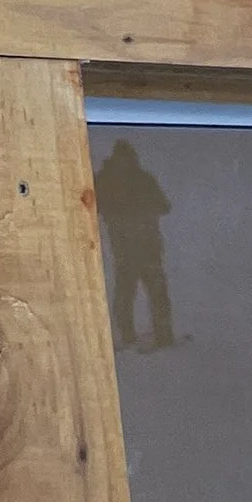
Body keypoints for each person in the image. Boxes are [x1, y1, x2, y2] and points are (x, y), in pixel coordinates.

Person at [93, 137, 174, 352]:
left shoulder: (105, 179)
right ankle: (162, 335)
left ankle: (127, 334)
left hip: (128, 247)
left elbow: (91, 207)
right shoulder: (143, 179)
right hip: (145, 245)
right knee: (153, 291)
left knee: (126, 291)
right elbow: (164, 206)